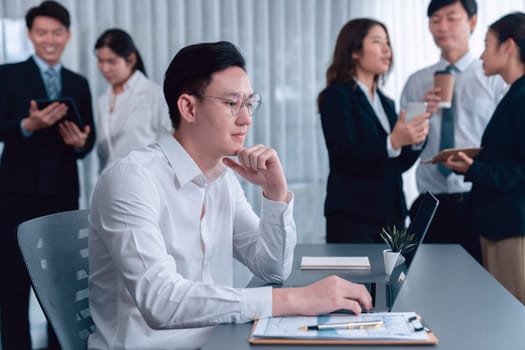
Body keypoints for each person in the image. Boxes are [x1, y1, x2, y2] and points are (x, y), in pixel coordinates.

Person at [88, 41, 372, 350]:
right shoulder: (131, 179)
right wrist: (297, 299)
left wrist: (274, 195)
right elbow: (161, 300)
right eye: (232, 103)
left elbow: (272, 267)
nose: (246, 118)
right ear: (188, 107)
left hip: (220, 341)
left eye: (250, 103)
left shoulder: (222, 178)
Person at [0, 1, 95, 349]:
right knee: (12, 283)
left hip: (61, 194)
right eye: (42, 32)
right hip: (14, 193)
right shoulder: (7, 75)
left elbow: (89, 138)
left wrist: (81, 142)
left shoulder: (78, 83)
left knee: (63, 283)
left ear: (68, 35)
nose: (49, 39)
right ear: (30, 35)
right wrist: (29, 124)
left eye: (57, 32)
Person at [400, 0, 506, 263]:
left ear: (472, 22)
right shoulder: (417, 82)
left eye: (451, 18)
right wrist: (420, 111)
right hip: (430, 203)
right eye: (435, 20)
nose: (442, 27)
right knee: (427, 286)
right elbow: (407, 145)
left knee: (481, 287)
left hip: (477, 198)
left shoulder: (494, 77)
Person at [318, 18, 430, 243]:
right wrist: (392, 142)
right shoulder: (336, 96)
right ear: (355, 51)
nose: (387, 49)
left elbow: (394, 166)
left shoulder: (386, 102)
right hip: (353, 219)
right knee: (354, 280)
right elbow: (345, 157)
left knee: (395, 280)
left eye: (387, 43)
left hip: (393, 219)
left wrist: (415, 140)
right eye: (377, 42)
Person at [444, 12, 525, 304]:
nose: (480, 55)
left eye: (487, 44)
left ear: (509, 47)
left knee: (513, 315)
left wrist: (475, 169)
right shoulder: (513, 93)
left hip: (511, 227)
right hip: (497, 224)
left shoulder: (521, 95)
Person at [94, 28, 171, 172]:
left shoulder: (154, 95)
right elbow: (104, 154)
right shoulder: (103, 101)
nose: (105, 68)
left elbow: (169, 144)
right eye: (100, 61)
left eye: (111, 61)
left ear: (131, 59)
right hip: (112, 181)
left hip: (147, 178)